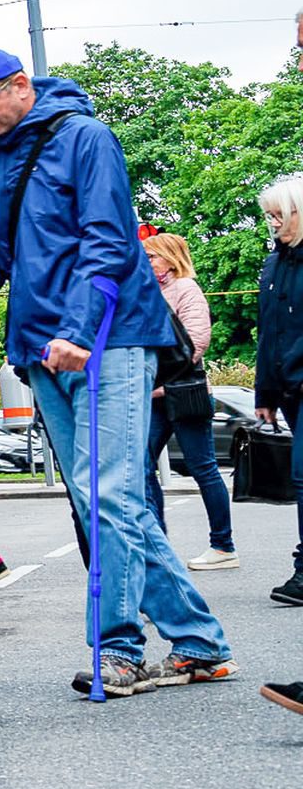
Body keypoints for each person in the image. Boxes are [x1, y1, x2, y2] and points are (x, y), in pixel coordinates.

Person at [0, 48, 235, 698]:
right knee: (100, 500)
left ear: (21, 86)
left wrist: (79, 330)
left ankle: (120, 651)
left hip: (112, 339)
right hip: (39, 350)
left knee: (112, 496)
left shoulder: (86, 139)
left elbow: (107, 240)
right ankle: (200, 644)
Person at [140, 232, 236, 570]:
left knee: (203, 468)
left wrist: (156, 379)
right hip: (154, 397)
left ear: (170, 259)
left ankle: (223, 546)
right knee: (140, 463)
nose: (146, 263)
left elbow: (196, 342)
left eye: (151, 257)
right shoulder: (149, 293)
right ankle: (156, 544)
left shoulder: (186, 289)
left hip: (184, 393)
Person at [257, 178, 303, 608]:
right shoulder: (275, 264)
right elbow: (267, 333)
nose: (273, 223)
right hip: (285, 385)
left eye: (279, 215)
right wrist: (264, 395)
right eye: (269, 216)